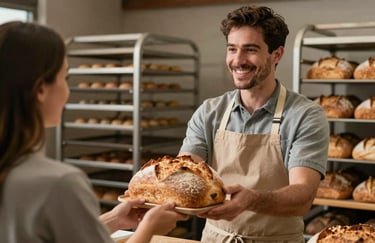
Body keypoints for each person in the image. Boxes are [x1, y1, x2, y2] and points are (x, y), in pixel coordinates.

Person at [0, 21, 188, 243]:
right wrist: (148, 228)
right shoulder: (59, 183)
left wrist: (113, 220)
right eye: (64, 78)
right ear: (41, 89)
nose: (67, 91)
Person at [178, 5, 329, 243]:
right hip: (216, 238)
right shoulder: (209, 112)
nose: (238, 60)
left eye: (250, 50)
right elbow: (185, 174)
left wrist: (252, 200)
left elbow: (302, 197)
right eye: (232, 49)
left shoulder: (305, 115)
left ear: (277, 54)